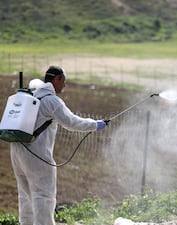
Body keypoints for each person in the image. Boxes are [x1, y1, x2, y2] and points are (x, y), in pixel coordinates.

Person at [10, 66, 107, 225]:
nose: (65, 85)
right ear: (57, 79)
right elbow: (71, 122)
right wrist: (95, 125)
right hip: (36, 153)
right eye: (64, 81)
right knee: (43, 194)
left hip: (17, 151)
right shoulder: (51, 100)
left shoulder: (32, 96)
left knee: (25, 194)